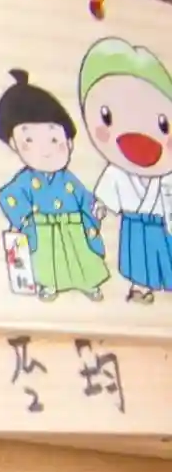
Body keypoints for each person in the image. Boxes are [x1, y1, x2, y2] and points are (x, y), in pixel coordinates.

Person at [0, 69, 107, 301]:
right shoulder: (25, 181)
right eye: (29, 140)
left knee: (80, 258)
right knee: (48, 262)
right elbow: (9, 196)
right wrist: (26, 219)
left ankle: (87, 283)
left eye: (54, 139)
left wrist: (95, 207)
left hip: (73, 227)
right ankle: (48, 285)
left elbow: (83, 196)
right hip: (43, 230)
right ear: (14, 144)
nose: (44, 149)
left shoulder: (68, 180)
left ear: (69, 142)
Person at [82, 38, 172, 303]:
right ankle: (140, 288)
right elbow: (108, 192)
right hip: (135, 223)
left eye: (163, 124)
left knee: (164, 258)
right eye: (107, 116)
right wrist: (101, 206)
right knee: (138, 259)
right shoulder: (117, 173)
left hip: (161, 224)